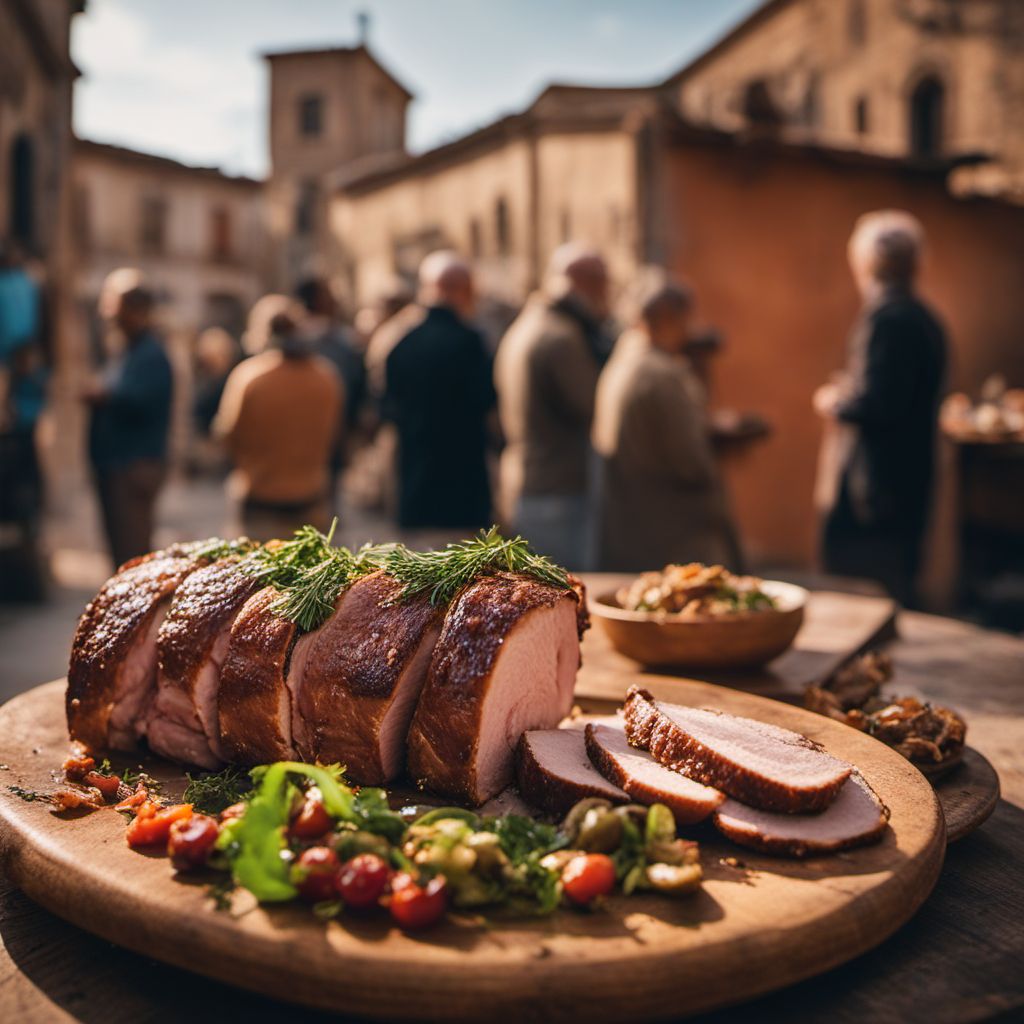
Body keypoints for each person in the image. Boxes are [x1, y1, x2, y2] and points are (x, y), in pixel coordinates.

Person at [814, 210, 947, 607]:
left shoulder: (888, 319)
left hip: (875, 497)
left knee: (867, 600)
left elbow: (878, 403)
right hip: (906, 486)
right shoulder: (923, 318)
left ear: (867, 263)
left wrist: (835, 400)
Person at [591, 275, 734, 571]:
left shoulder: (624, 360)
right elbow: (691, 461)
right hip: (671, 534)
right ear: (670, 318)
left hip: (633, 523)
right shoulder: (661, 375)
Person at [494, 243, 612, 567]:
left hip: (527, 480)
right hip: (558, 489)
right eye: (603, 284)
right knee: (565, 598)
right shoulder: (561, 337)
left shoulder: (524, 327)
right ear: (585, 282)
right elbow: (591, 408)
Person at [214, 296, 343, 542]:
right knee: (309, 576)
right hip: (311, 496)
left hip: (260, 497)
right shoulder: (327, 376)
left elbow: (228, 434)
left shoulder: (250, 377)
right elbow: (333, 434)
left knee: (257, 577)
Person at [384, 251, 495, 533]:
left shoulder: (400, 341)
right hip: (464, 485)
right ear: (464, 290)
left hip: (415, 481)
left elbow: (386, 406)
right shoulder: (471, 342)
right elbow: (487, 401)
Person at [83, 282, 173, 568]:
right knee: (121, 557)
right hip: (116, 465)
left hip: (133, 466)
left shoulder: (151, 355)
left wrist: (104, 396)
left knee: (133, 561)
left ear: (137, 311)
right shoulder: (128, 352)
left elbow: (141, 401)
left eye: (117, 308)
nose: (110, 315)